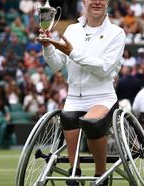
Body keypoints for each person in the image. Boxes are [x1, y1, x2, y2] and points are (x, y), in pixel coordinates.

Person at [38, 0, 125, 185]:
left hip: (102, 97)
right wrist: (47, 46)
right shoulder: (72, 30)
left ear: (107, 1)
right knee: (67, 117)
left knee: (92, 123)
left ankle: (100, 174)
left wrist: (72, 53)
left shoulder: (116, 33)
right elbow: (55, 65)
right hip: (73, 98)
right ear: (84, 2)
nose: (96, 2)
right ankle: (74, 173)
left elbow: (104, 68)